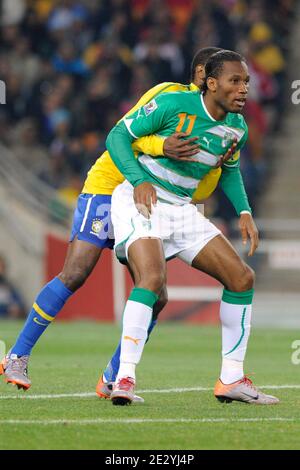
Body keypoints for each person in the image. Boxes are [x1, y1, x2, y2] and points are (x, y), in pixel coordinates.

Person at [0, 47, 232, 394]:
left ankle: (112, 376)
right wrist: (160, 146)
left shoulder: (215, 123)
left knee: (157, 292)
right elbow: (123, 133)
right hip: (110, 187)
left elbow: (199, 192)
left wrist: (215, 166)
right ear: (202, 74)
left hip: (148, 200)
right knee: (76, 272)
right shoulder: (168, 94)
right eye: (218, 76)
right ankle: (17, 355)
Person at [105, 50, 279, 406]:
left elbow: (228, 169)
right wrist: (138, 179)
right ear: (212, 83)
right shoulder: (173, 105)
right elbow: (117, 137)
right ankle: (123, 378)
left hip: (182, 208)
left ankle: (231, 378)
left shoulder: (238, 128)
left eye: (246, 82)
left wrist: (244, 211)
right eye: (235, 81)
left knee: (242, 278)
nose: (243, 89)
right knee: (151, 279)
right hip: (142, 198)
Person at [0, 255, 25, 320]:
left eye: (2, 266)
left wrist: (16, 308)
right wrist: (6, 308)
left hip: (8, 319)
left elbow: (20, 304)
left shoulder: (8, 285)